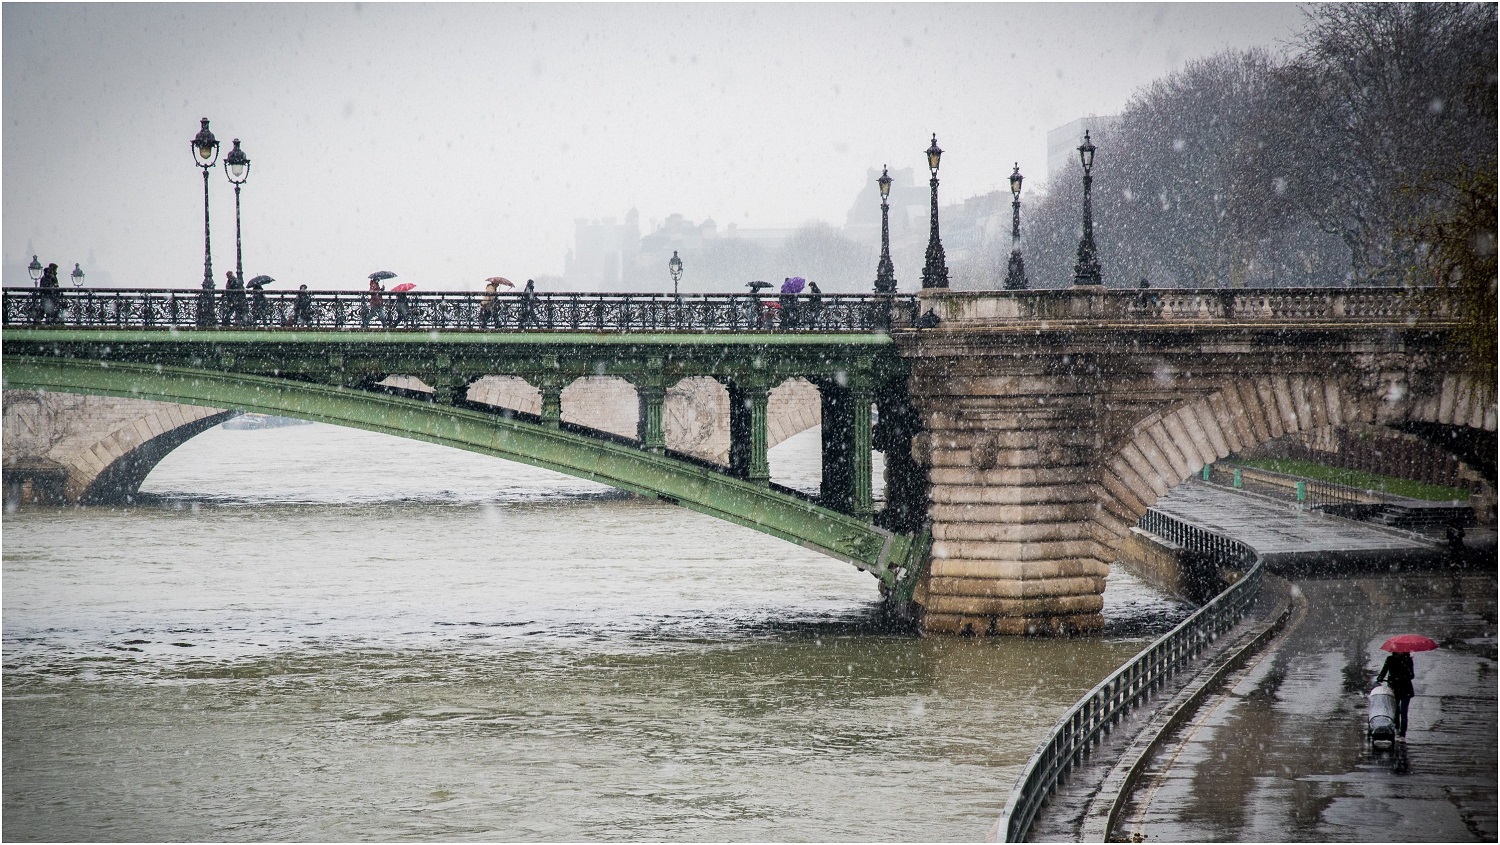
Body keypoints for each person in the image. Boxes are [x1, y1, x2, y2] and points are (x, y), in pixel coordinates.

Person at [1375, 651, 1415, 741]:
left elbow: (1412, 675)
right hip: (1394, 688)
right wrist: (1380, 678)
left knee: (1403, 711)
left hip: (1406, 689)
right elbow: (1384, 670)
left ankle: (1403, 734)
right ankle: (1396, 728)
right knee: (1395, 710)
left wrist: (1404, 675)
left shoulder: (1408, 660)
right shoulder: (1390, 659)